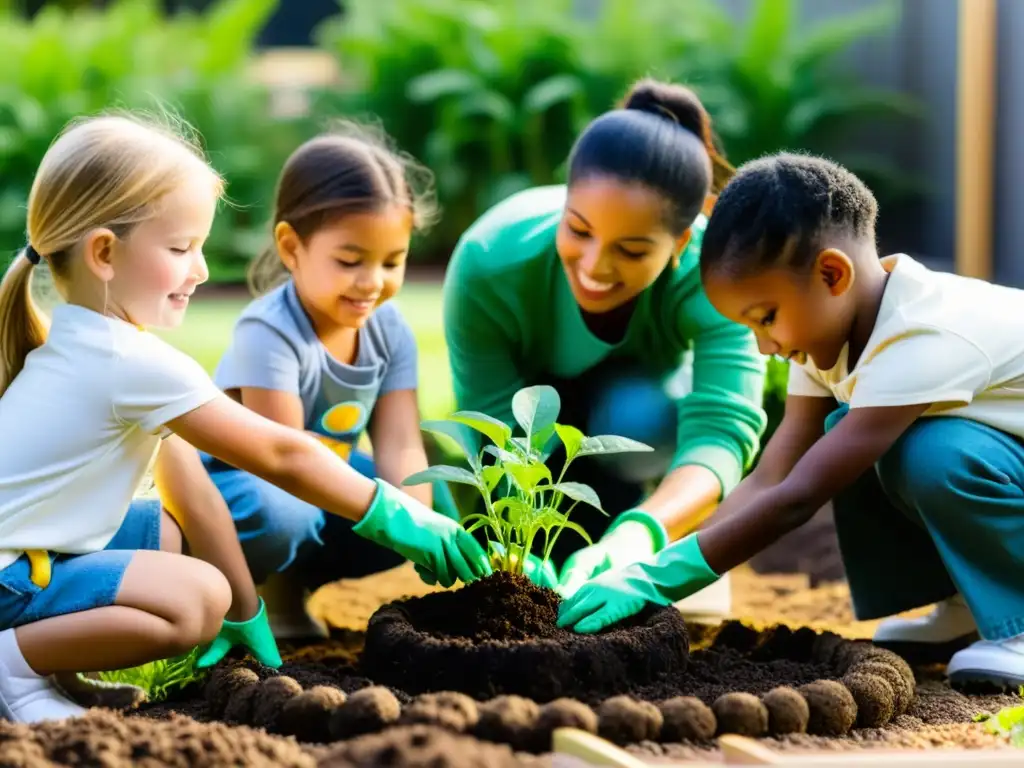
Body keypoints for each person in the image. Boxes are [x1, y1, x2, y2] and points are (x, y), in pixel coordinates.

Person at [0, 114, 490, 723]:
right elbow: (283, 453)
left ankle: (47, 665)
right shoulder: (131, 361)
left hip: (25, 560)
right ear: (104, 253)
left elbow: (190, 493)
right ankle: (11, 665)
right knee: (193, 600)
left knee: (171, 540)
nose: (201, 270)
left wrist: (247, 615)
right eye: (180, 249)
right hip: (10, 577)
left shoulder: (85, 342)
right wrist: (397, 515)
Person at [556, 151, 1024, 687]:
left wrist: (657, 581)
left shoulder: (922, 334)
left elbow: (799, 495)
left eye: (767, 318)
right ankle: (972, 600)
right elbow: (773, 474)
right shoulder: (836, 333)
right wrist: (654, 556)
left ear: (831, 274)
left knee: (928, 453)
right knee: (848, 440)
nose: (764, 345)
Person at [440, 77, 767, 610]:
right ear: (563, 202)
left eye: (632, 250)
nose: (595, 267)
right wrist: (522, 541)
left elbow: (722, 430)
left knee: (636, 416)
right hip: (533, 417)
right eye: (578, 230)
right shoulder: (489, 261)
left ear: (682, 243)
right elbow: (494, 424)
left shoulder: (716, 275)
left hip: (637, 416)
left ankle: (672, 534)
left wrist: (643, 534)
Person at [201, 123, 459, 638]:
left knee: (426, 496)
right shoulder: (269, 331)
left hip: (315, 484)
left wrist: (419, 524)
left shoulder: (388, 327)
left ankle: (295, 593)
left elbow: (402, 441)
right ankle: (254, 600)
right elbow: (285, 463)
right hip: (239, 494)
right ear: (292, 247)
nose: (373, 282)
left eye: (393, 261)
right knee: (287, 513)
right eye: (349, 261)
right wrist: (390, 517)